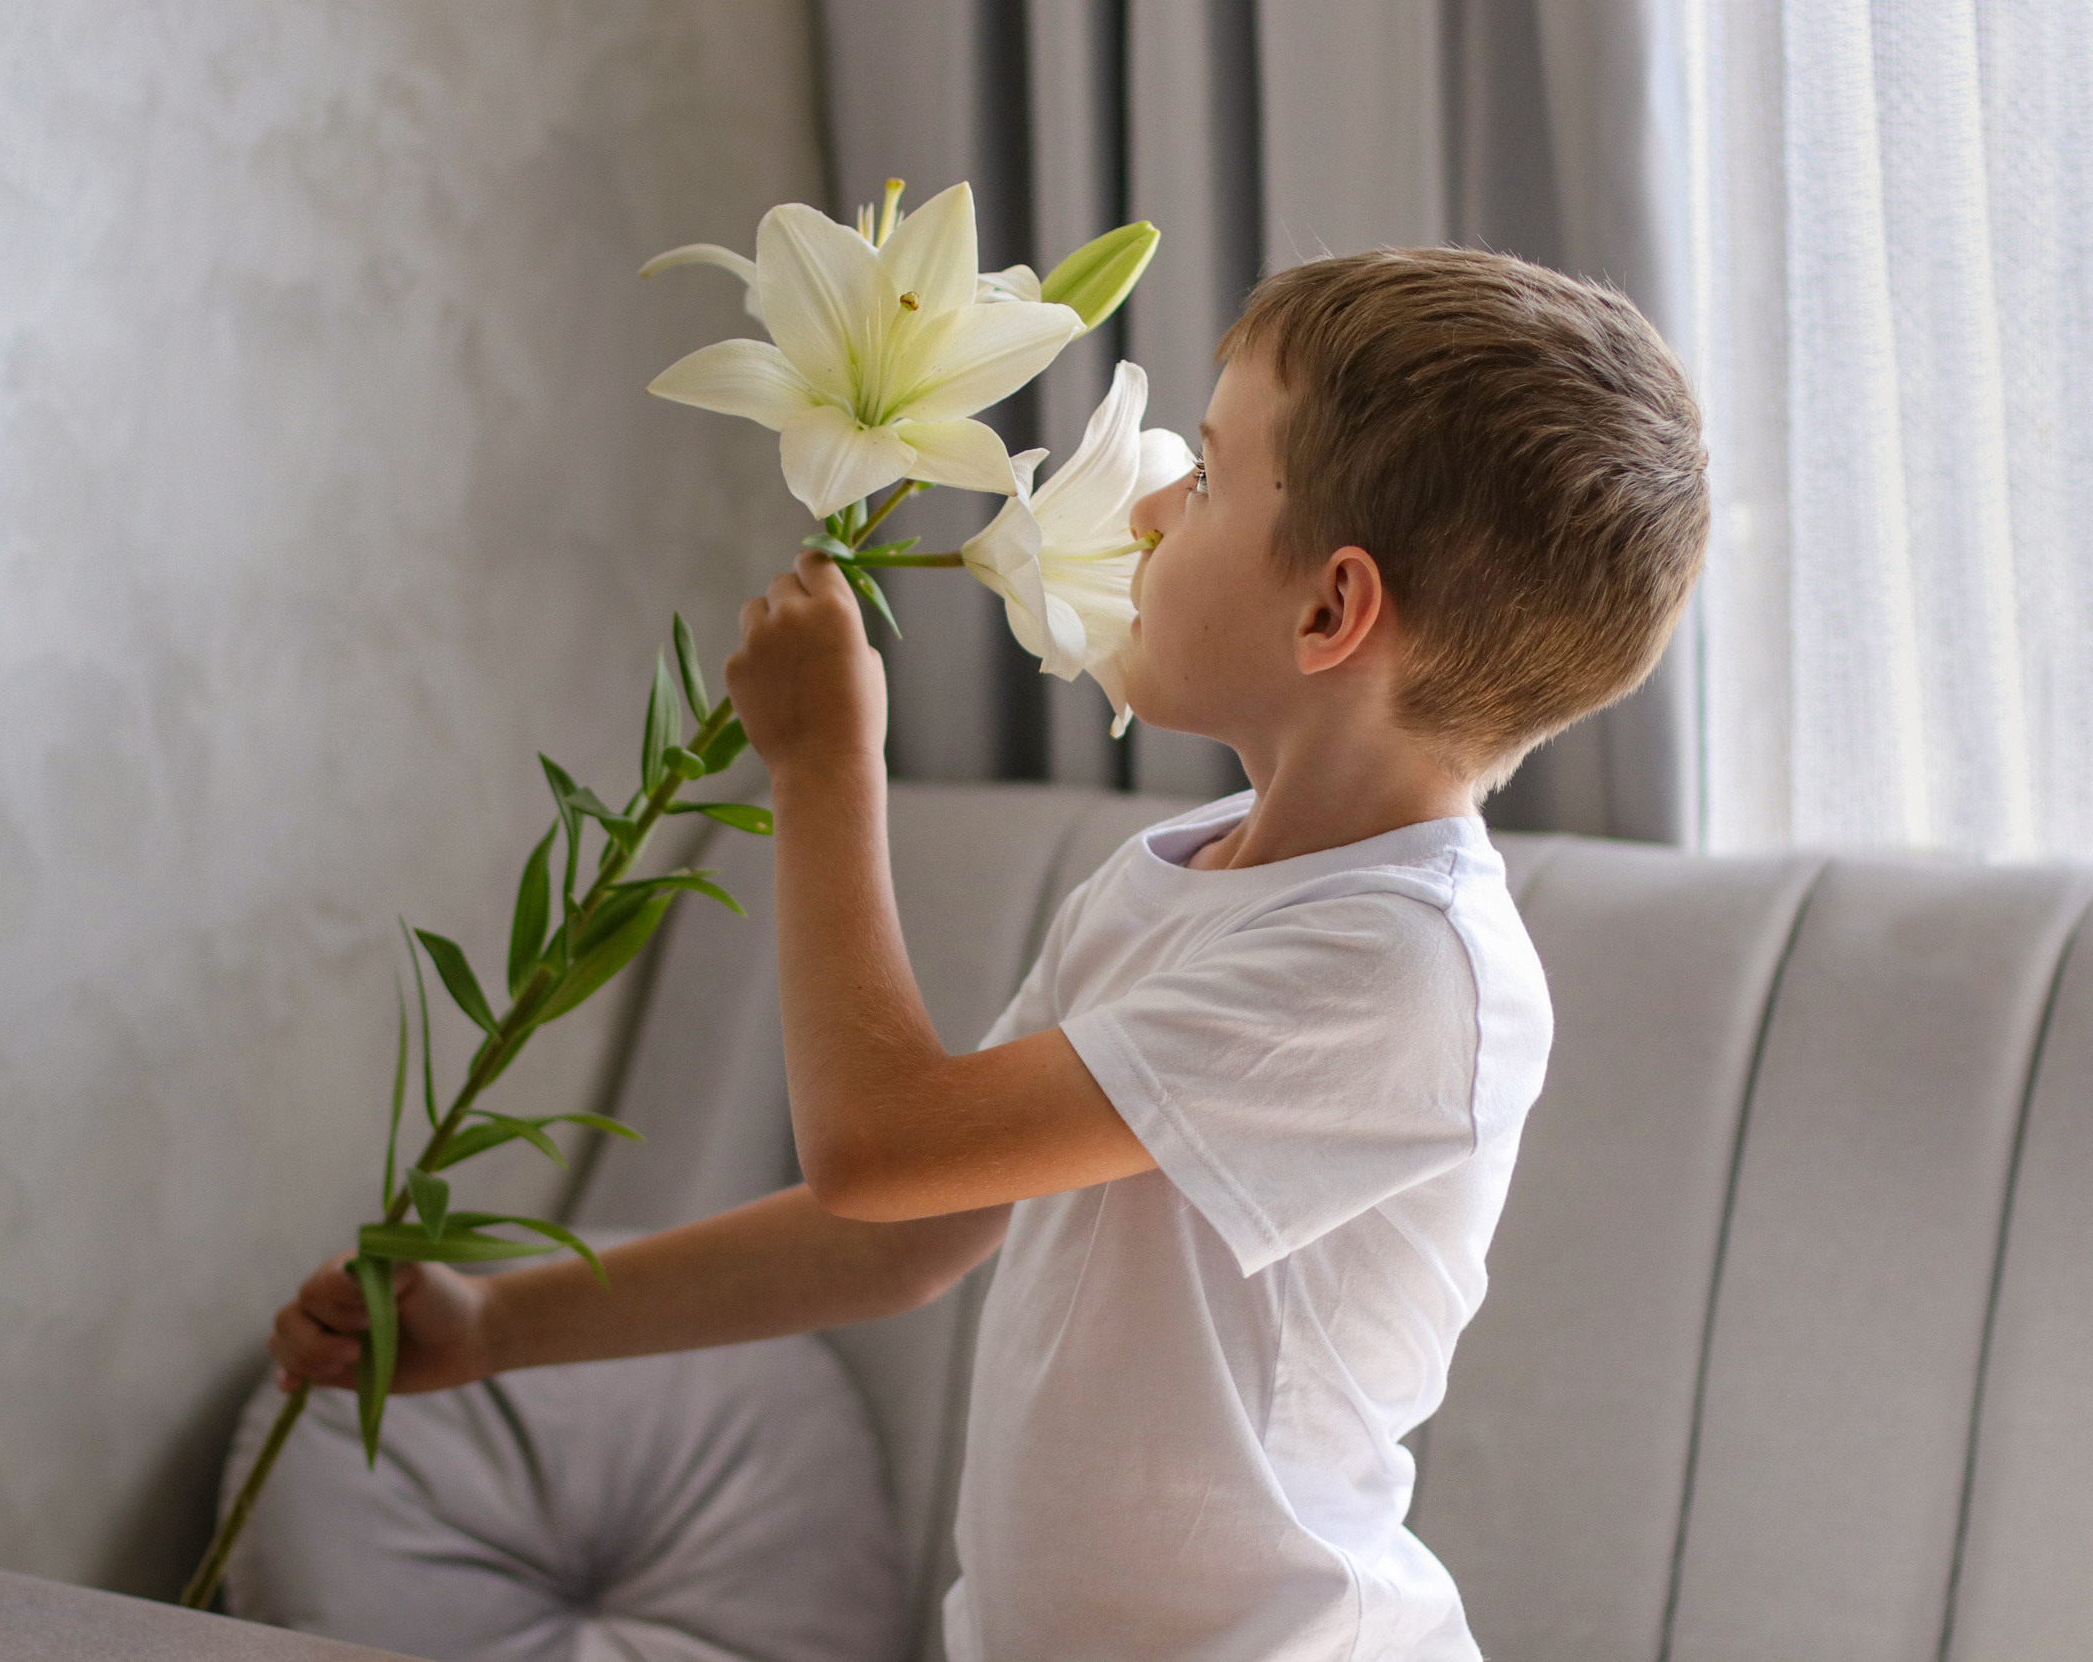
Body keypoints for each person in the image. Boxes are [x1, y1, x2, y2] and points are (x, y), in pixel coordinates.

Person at [270, 247, 1709, 1660]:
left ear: (1332, 610)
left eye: (1205, 478)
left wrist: (826, 767)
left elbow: (880, 1146)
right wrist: (494, 1327)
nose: (1149, 504)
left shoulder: (1406, 973)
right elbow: (908, 1229)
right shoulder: (1184, 879)